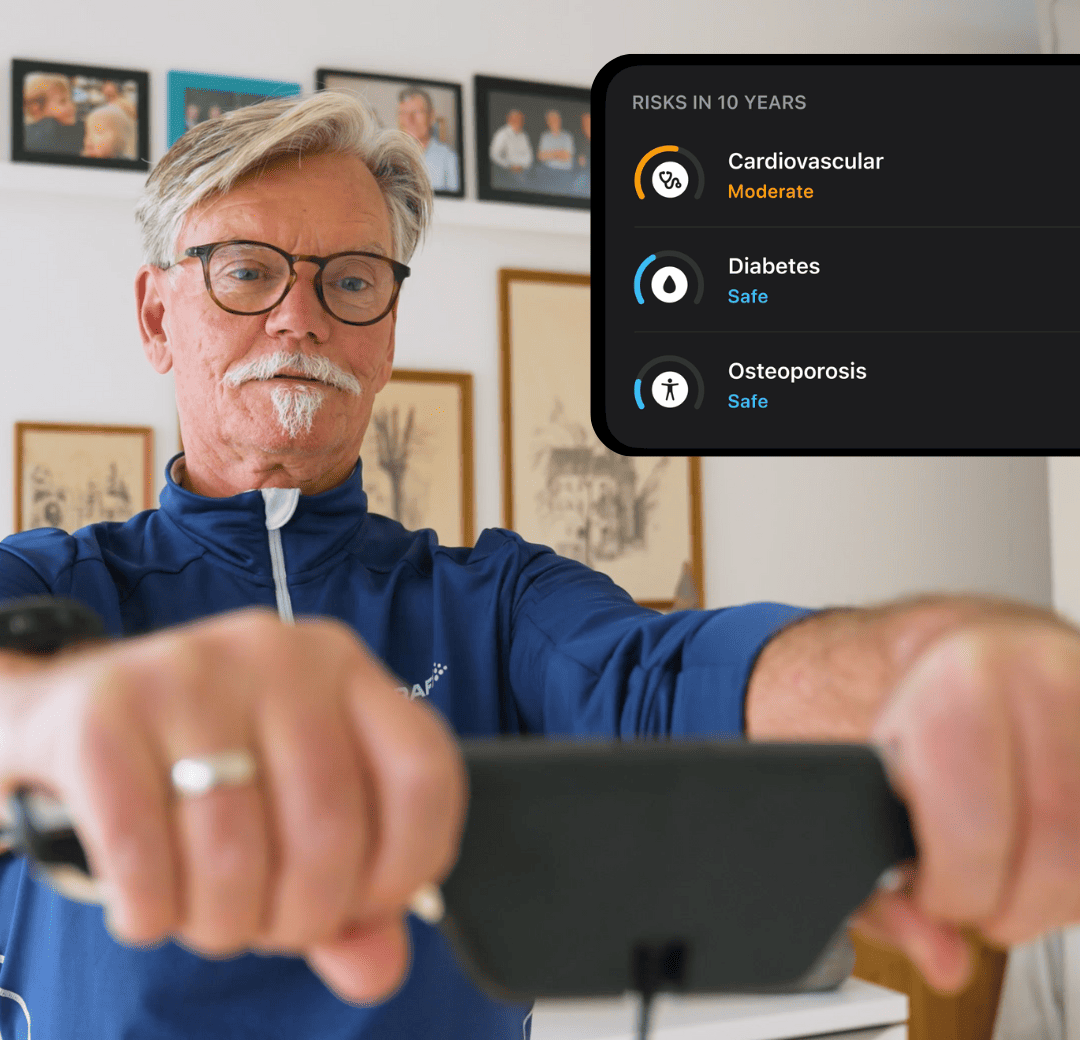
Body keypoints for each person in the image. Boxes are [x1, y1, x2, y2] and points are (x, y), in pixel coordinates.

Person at [0, 90, 1078, 1039]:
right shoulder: (50, 591)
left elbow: (664, 679)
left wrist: (917, 669)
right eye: (245, 271)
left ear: (386, 332)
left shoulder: (500, 604)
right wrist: (52, 717)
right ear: (157, 315)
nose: (301, 315)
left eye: (353, 281)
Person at [396, 86, 459, 193]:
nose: (409, 120)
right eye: (404, 113)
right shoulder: (392, 156)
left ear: (431, 116)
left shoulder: (449, 157)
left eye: (416, 112)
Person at [21, 72, 84, 156]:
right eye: (62, 101)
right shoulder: (49, 135)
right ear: (36, 109)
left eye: (70, 100)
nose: (72, 106)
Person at [488, 108, 534, 190]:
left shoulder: (524, 136)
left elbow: (529, 156)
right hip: (506, 172)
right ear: (509, 119)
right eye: (515, 119)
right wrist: (509, 166)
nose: (518, 121)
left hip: (524, 171)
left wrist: (522, 167)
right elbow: (494, 154)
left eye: (520, 119)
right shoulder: (502, 134)